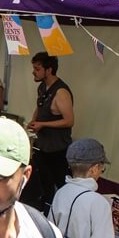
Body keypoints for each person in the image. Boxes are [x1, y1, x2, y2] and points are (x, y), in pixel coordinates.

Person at [26, 52, 75, 212]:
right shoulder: (42, 87)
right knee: (43, 186)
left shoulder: (61, 92)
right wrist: (34, 121)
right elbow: (39, 107)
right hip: (43, 147)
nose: (34, 72)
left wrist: (43, 124)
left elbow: (69, 121)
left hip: (58, 150)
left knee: (60, 186)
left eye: (37, 69)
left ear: (49, 70)